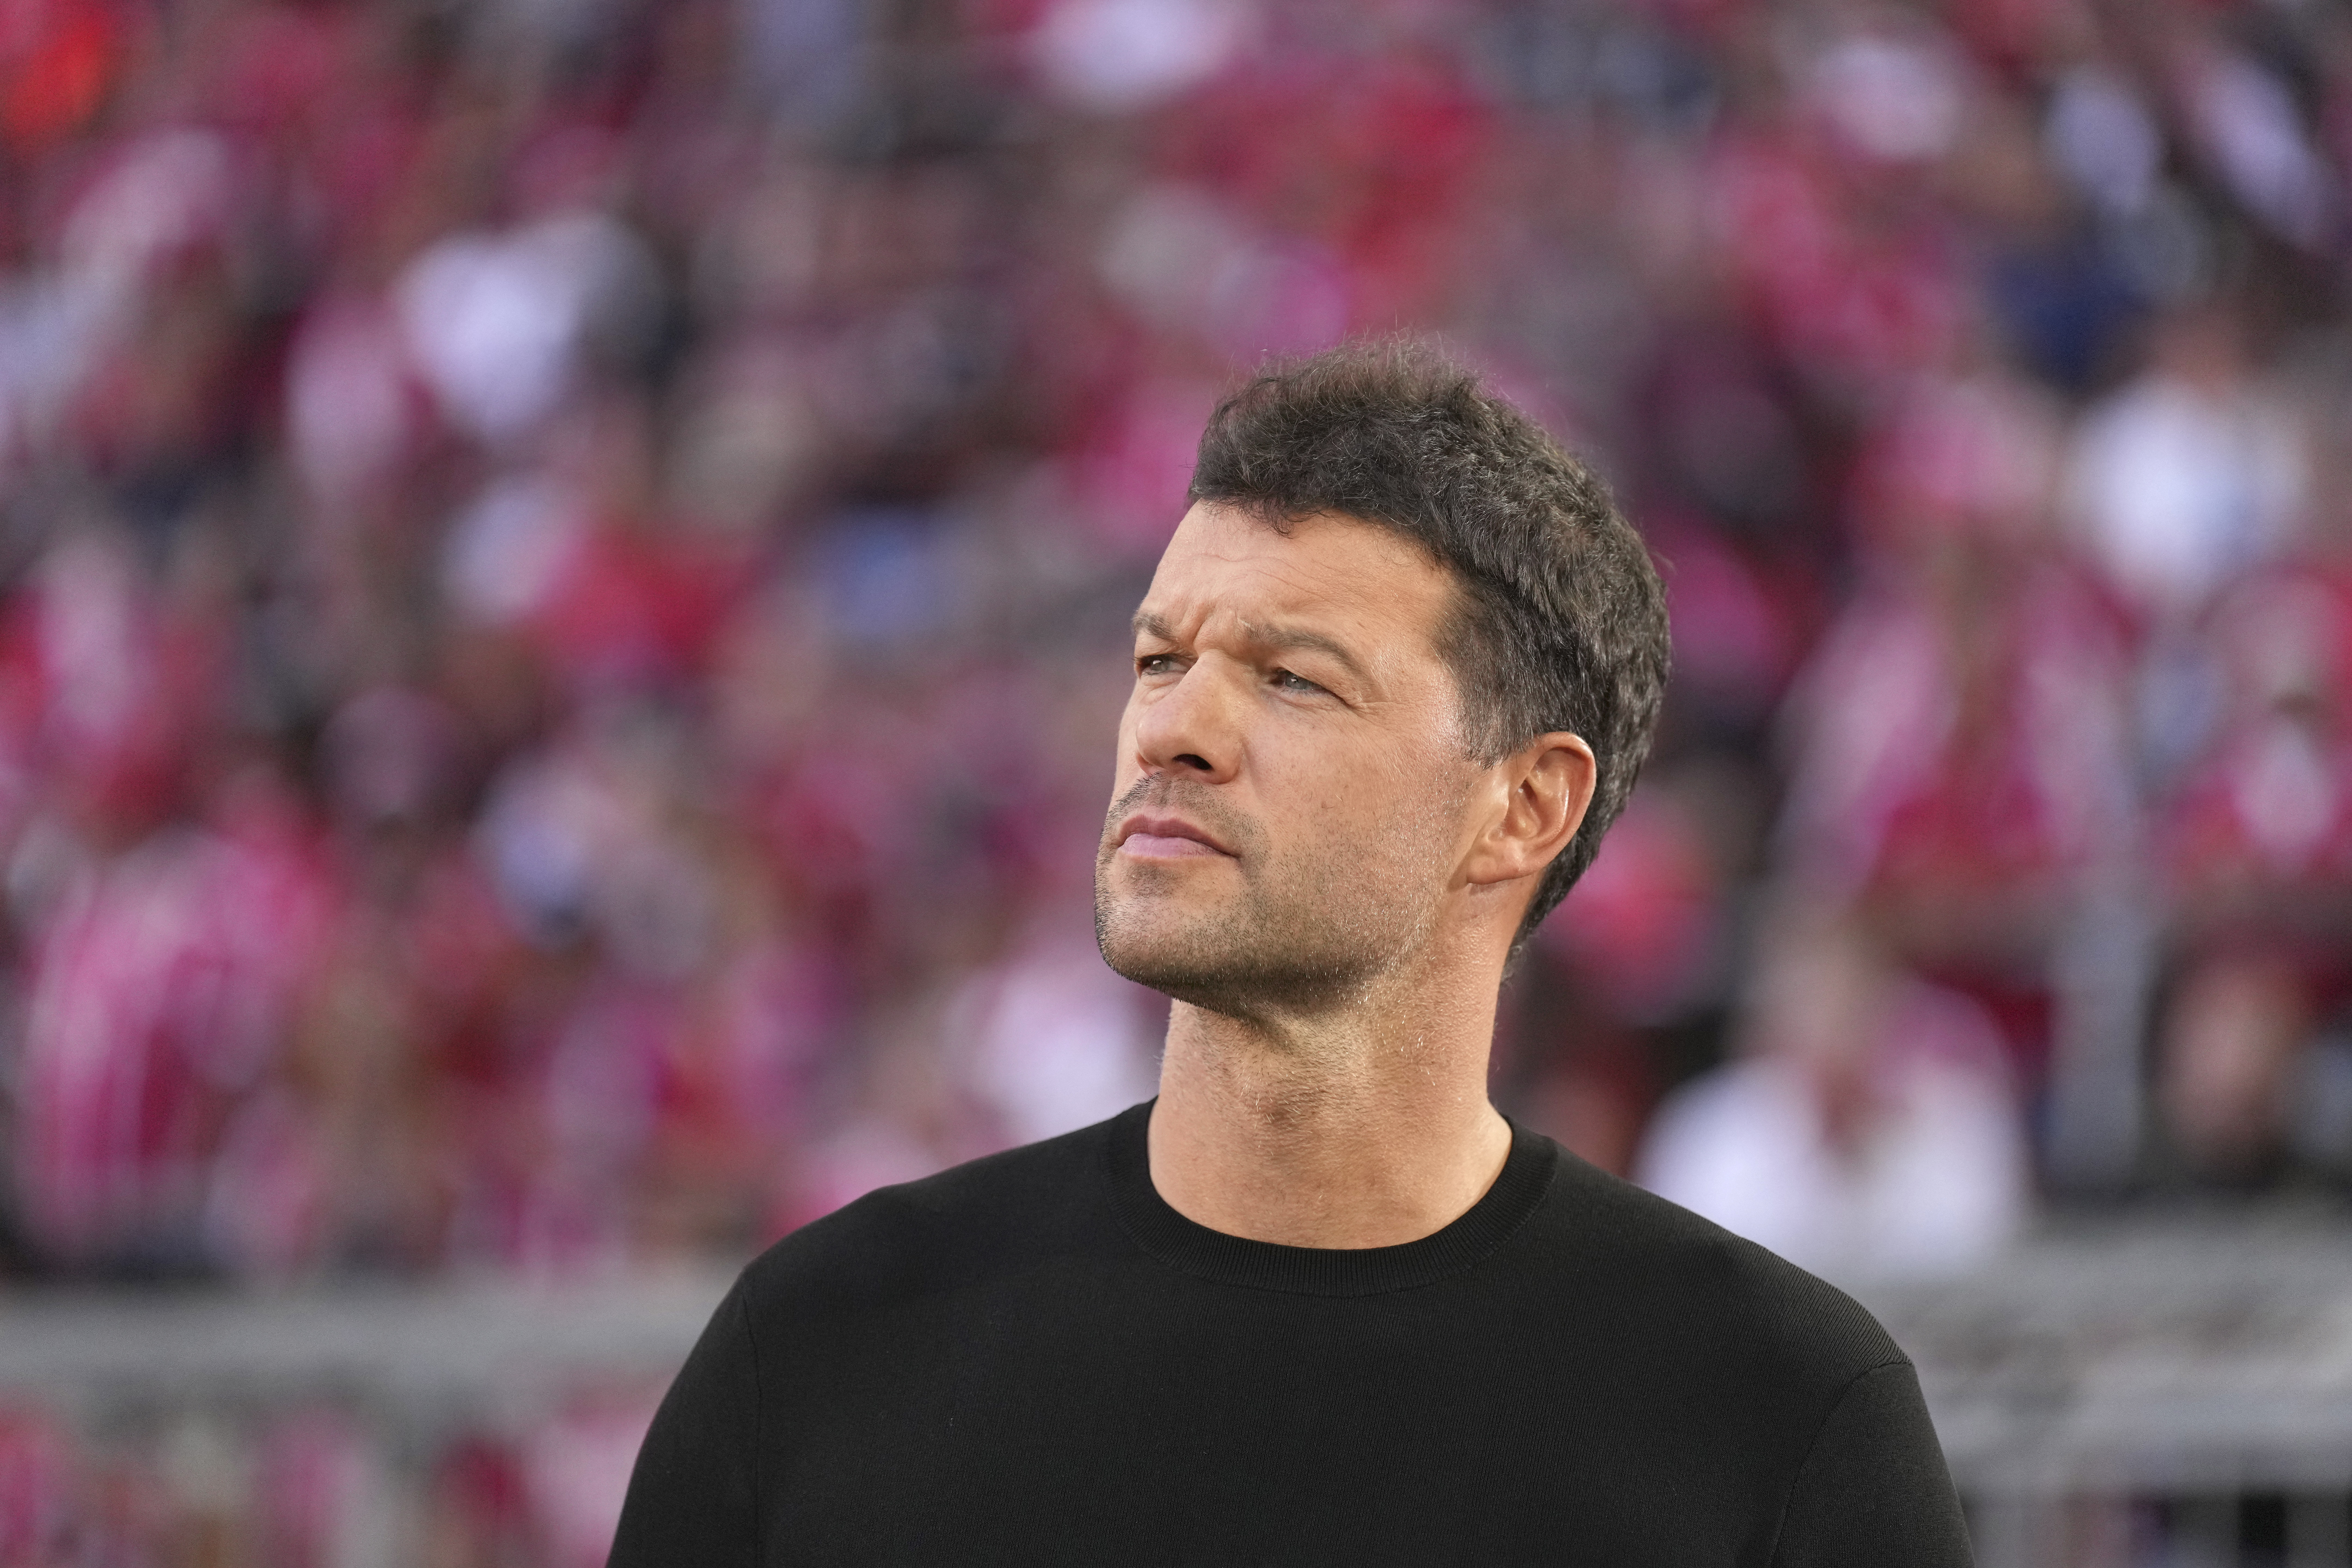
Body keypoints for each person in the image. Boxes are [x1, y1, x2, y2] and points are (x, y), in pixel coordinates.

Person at [607, 339, 1973, 1565]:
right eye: (1157, 662)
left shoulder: (1779, 1421)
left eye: (1293, 677)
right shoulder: (818, 1349)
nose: (1171, 733)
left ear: (1525, 804)